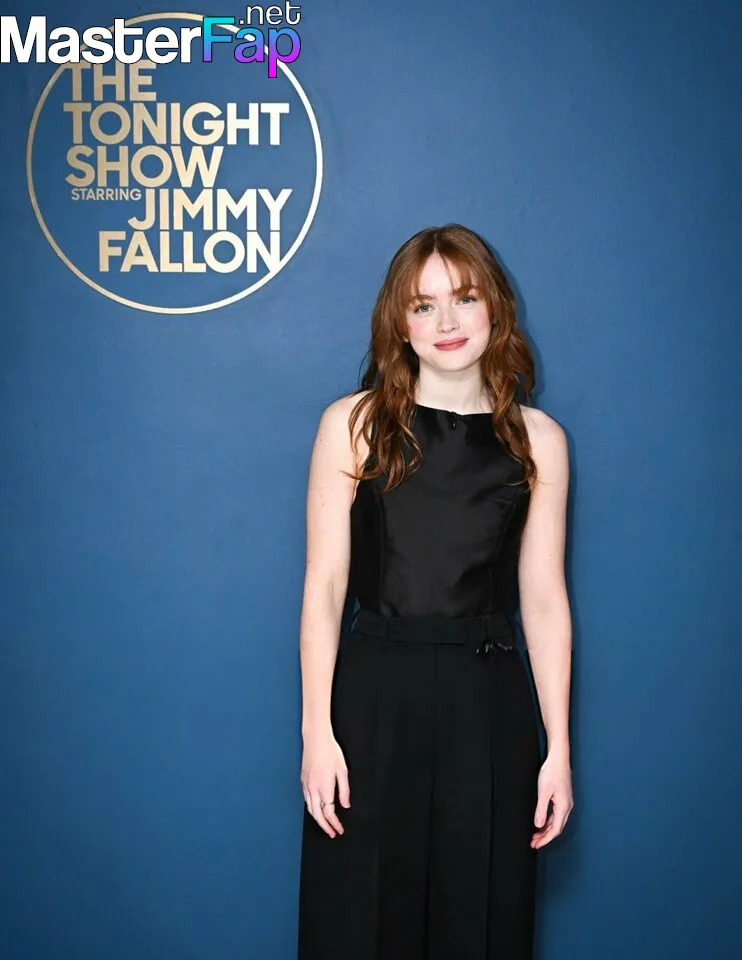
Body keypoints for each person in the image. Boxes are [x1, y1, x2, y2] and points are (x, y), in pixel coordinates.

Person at [296, 223, 573, 959]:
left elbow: (544, 600)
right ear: (400, 323)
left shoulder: (539, 441)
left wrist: (558, 750)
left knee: (476, 918)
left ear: (495, 308)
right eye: (424, 305)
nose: (447, 321)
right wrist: (316, 733)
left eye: (465, 298)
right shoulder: (352, 424)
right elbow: (325, 587)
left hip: (487, 707)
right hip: (373, 702)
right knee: (360, 917)